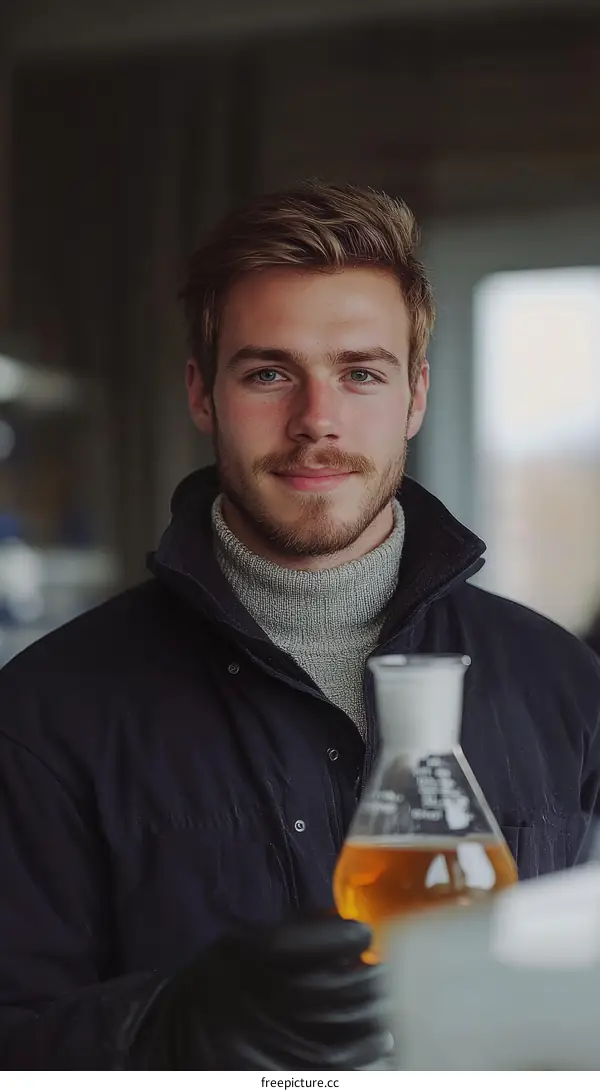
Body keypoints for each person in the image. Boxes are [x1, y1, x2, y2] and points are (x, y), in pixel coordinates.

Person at [1, 180, 599, 1070]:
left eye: (361, 372)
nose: (316, 420)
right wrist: (162, 1025)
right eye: (269, 372)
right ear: (203, 394)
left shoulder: (566, 686)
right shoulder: (43, 713)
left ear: (416, 395)